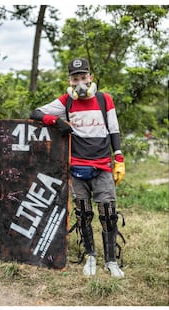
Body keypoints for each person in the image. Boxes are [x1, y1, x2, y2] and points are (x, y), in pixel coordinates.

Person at [30, 57, 126, 278]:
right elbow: (35, 113)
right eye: (75, 78)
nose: (80, 82)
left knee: (108, 213)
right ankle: (90, 255)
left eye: (83, 77)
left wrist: (119, 158)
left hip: (102, 166)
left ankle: (111, 260)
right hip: (78, 168)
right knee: (83, 214)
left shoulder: (104, 100)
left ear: (90, 78)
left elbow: (114, 130)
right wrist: (55, 121)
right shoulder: (66, 102)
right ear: (70, 80)